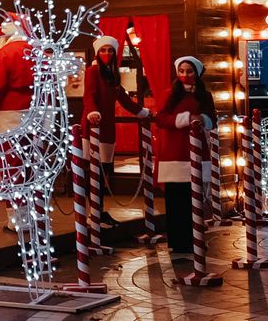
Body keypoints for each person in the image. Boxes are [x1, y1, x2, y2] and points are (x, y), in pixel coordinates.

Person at [81, 35, 149, 225]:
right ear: (97, 52)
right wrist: (92, 112)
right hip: (93, 126)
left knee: (105, 170)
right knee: (93, 170)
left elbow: (123, 99)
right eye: (103, 50)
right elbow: (89, 96)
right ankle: (94, 210)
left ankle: (99, 211)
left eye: (110, 50)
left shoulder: (112, 74)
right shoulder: (92, 71)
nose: (107, 53)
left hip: (108, 128)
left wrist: (142, 112)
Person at [154, 55, 216, 255]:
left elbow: (212, 120)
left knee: (194, 200)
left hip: (196, 152)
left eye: (189, 71)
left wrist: (202, 120)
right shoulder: (169, 94)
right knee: (175, 200)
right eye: (181, 71)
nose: (185, 75)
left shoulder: (205, 96)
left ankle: (194, 239)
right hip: (174, 152)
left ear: (197, 73)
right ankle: (177, 241)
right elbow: (161, 119)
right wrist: (185, 119)